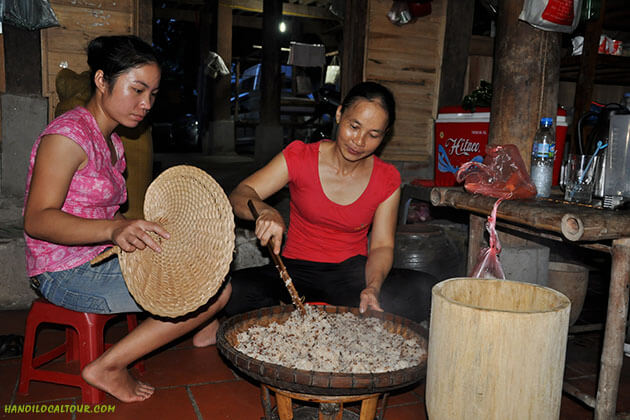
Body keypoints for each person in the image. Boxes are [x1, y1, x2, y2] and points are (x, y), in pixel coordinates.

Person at [23, 35, 230, 403]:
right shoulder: (67, 138)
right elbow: (37, 220)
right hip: (63, 272)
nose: (146, 103)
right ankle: (107, 367)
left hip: (97, 255)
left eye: (152, 93)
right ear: (102, 80)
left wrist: (143, 230)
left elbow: (103, 211)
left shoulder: (111, 141)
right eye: (136, 90)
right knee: (211, 292)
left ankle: (200, 326)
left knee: (199, 267)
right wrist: (115, 228)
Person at [224, 81, 438, 325]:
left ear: (384, 135)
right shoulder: (300, 156)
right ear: (339, 115)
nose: (359, 141)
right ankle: (324, 317)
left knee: (427, 291)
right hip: (295, 271)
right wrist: (264, 211)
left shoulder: (387, 178)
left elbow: (381, 246)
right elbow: (240, 193)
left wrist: (373, 288)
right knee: (235, 291)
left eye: (373, 134)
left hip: (351, 276)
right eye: (354, 126)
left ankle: (301, 317)